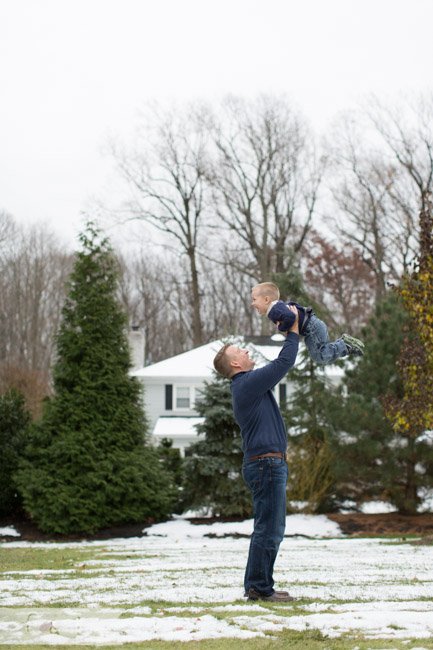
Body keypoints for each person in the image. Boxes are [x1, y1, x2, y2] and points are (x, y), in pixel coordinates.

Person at [213, 305, 299, 603]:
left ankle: (259, 585)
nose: (248, 353)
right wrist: (294, 330)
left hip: (267, 464)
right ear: (235, 364)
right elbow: (284, 362)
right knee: (269, 528)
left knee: (270, 527)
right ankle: (259, 589)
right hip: (265, 465)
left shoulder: (248, 385)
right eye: (242, 352)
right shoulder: (247, 384)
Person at [251, 281, 364, 364]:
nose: (252, 303)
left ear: (266, 299)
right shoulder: (278, 307)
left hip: (312, 328)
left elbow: (291, 317)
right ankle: (345, 345)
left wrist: (282, 328)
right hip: (313, 325)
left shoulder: (274, 309)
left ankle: (344, 345)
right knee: (320, 355)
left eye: (254, 299)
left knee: (320, 356)